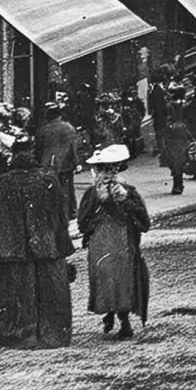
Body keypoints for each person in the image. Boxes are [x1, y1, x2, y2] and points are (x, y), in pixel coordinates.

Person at [0, 131, 74, 348]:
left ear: (12, 155)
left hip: (11, 249)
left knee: (18, 291)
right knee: (50, 289)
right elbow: (61, 215)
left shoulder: (2, 183)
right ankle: (51, 334)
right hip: (45, 244)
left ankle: (21, 334)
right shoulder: (47, 179)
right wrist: (62, 244)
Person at [76, 144, 151, 340]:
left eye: (111, 169)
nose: (107, 173)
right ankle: (113, 314)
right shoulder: (94, 194)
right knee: (113, 278)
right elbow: (83, 221)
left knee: (118, 278)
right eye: (104, 169)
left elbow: (144, 221)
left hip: (118, 242)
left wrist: (124, 201)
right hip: (108, 243)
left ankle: (120, 318)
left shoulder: (125, 191)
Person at [33, 103, 80, 215]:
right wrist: (76, 162)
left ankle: (53, 211)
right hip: (66, 162)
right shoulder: (69, 128)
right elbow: (73, 147)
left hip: (48, 163)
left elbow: (38, 148)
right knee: (67, 187)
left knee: (51, 187)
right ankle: (69, 210)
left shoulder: (43, 130)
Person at [161, 98, 193, 196]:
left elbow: (166, 136)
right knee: (178, 168)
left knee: (176, 168)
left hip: (176, 148)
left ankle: (177, 186)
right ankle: (178, 185)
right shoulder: (182, 125)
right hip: (179, 147)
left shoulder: (171, 125)